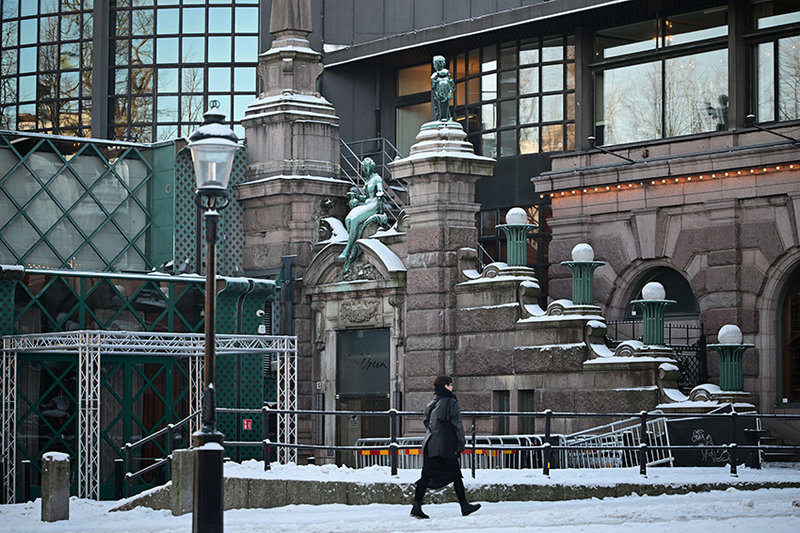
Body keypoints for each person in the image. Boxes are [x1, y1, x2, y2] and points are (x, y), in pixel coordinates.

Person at [411, 375, 481, 519]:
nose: (452, 387)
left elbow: (426, 421)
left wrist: (435, 432)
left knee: (426, 476)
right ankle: (464, 506)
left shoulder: (433, 401)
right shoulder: (450, 401)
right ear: (446, 386)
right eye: (451, 385)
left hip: (430, 444)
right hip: (446, 445)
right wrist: (460, 443)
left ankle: (416, 506)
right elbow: (457, 425)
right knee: (456, 474)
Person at [430, 55, 455, 122]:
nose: (434, 66)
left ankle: (445, 117)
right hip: (438, 93)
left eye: (435, 64)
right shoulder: (435, 75)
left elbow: (452, 85)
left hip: (445, 93)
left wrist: (450, 91)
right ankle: (443, 117)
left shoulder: (445, 74)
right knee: (439, 107)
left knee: (444, 106)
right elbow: (433, 86)